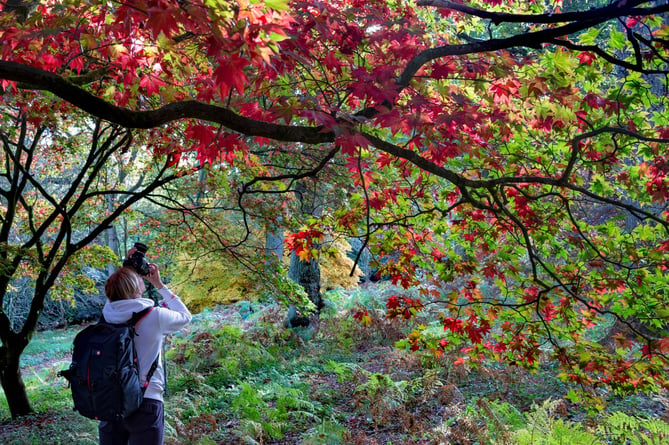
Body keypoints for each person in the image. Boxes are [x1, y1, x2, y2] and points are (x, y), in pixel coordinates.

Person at [99, 252, 191, 445]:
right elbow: (185, 316)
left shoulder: (107, 315)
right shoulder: (155, 316)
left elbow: (117, 293)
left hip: (110, 401)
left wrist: (126, 270)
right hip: (146, 399)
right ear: (136, 287)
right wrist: (159, 285)